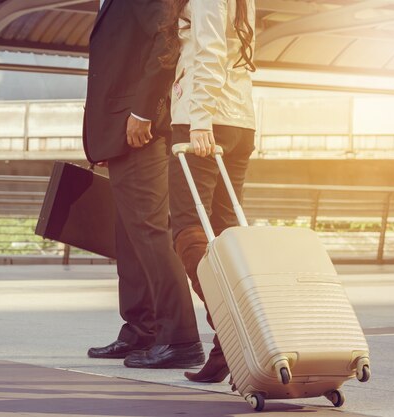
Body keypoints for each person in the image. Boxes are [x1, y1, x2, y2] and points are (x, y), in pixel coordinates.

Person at [84, 0, 204, 369]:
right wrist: (105, 133)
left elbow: (164, 44)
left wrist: (141, 112)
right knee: (130, 235)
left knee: (151, 232)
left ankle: (181, 338)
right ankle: (142, 328)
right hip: (119, 128)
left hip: (142, 127)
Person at [162, 0, 257, 381]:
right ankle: (227, 350)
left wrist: (200, 119)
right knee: (228, 234)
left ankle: (240, 330)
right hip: (240, 121)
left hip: (204, 121)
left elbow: (209, 49)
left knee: (187, 232)